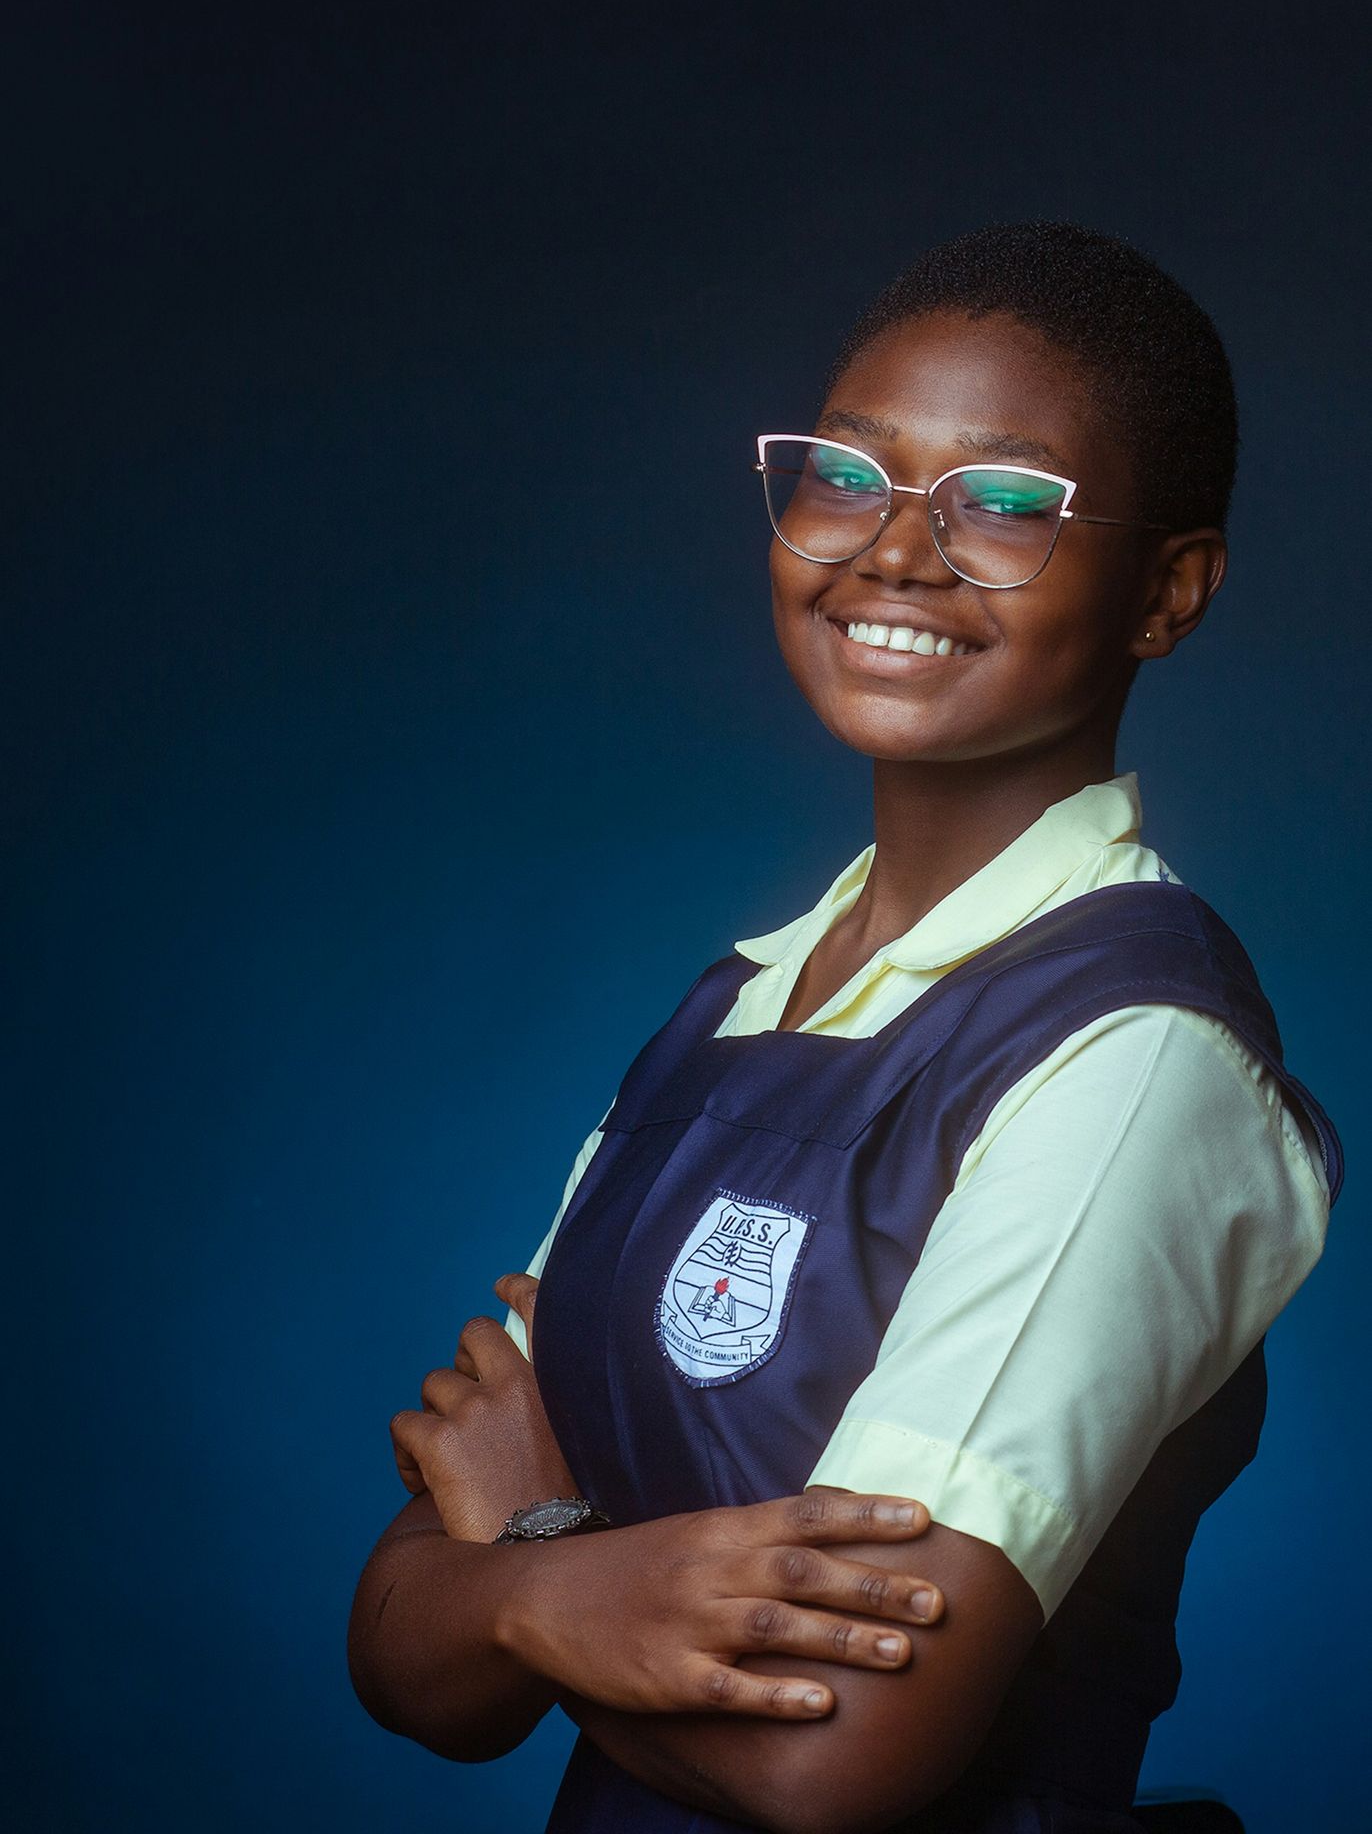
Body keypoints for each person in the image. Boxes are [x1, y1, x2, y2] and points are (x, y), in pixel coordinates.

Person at [347, 222, 1344, 1834]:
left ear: (1168, 592)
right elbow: (405, 1663)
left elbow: (839, 1755)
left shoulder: (1135, 1054)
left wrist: (533, 1555)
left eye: (1002, 502)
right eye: (846, 477)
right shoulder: (737, 1003)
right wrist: (547, 1596)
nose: (893, 551)